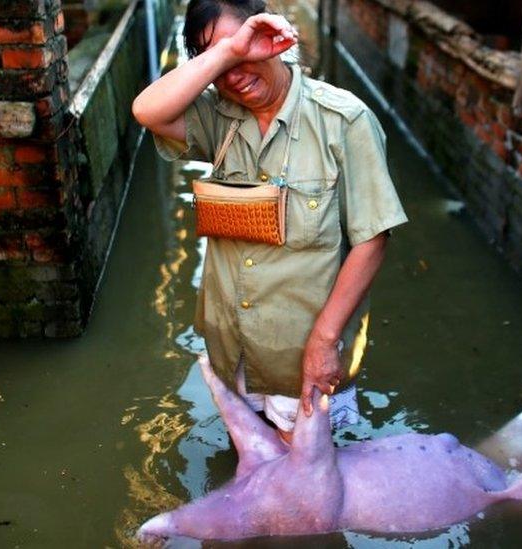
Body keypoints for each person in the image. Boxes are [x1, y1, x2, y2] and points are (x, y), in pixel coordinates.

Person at [132, 0, 406, 442]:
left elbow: (372, 239)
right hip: (234, 350)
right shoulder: (217, 119)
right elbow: (149, 112)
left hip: (301, 357)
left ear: (272, 39)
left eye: (245, 51)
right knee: (254, 477)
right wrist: (225, 54)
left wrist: (323, 342)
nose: (235, 75)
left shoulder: (342, 120)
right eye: (217, 61)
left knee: (302, 498)